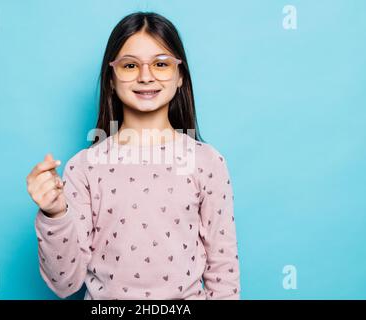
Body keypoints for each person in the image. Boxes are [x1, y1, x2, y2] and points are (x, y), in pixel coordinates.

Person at [26, 11, 240, 300]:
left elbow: (223, 274)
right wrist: (54, 214)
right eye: (129, 65)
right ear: (111, 79)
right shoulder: (84, 168)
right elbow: (65, 284)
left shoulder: (208, 162)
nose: (146, 76)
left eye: (161, 64)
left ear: (180, 77)